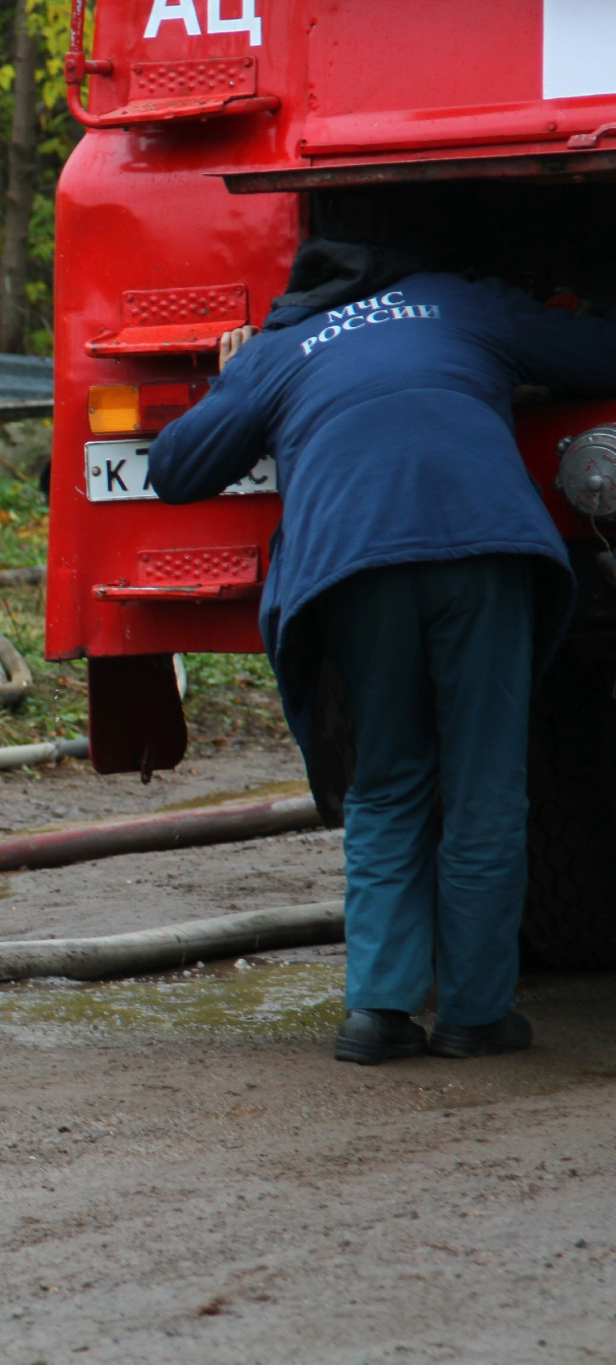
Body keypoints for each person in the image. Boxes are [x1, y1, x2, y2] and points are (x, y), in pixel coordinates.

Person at [147, 237, 616, 1066]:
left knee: (389, 779)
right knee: (484, 784)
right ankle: (475, 1014)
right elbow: (598, 354)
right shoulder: (458, 300)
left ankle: (379, 1011)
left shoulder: (279, 349)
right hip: (482, 546)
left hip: (356, 565)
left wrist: (237, 376)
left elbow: (176, 469)